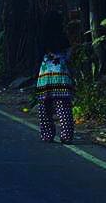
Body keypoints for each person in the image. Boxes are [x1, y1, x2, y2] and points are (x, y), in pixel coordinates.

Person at [36, 12, 74, 144]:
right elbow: (69, 54)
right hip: (61, 76)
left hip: (45, 77)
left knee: (44, 107)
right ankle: (66, 136)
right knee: (63, 107)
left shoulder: (42, 38)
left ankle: (47, 135)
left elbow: (38, 54)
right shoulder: (63, 38)